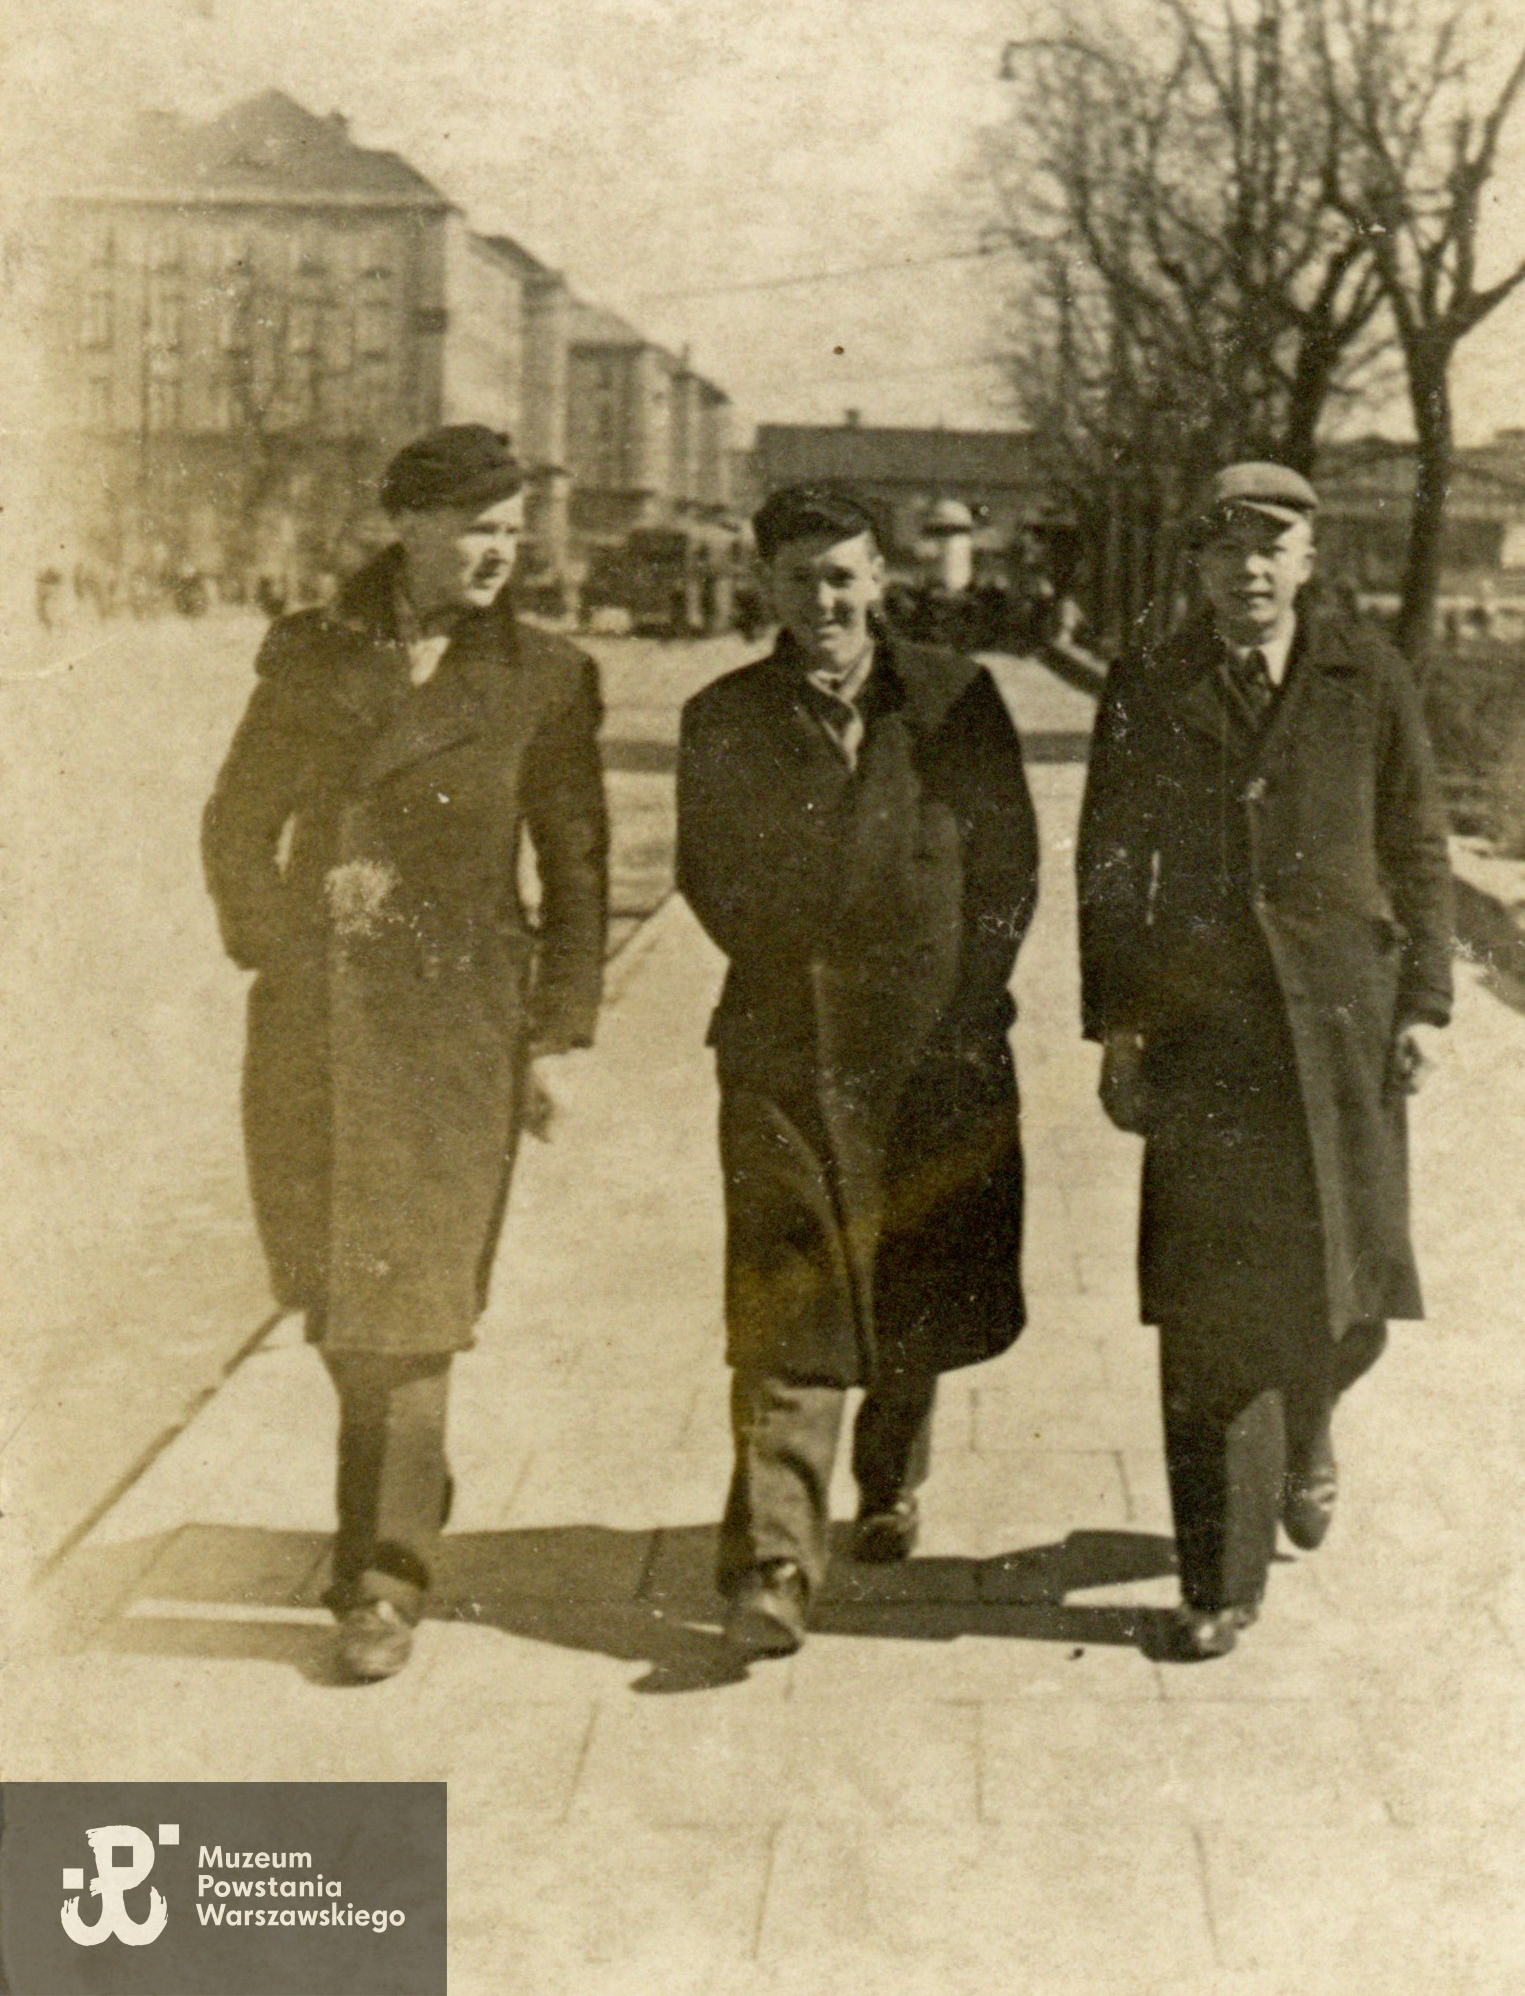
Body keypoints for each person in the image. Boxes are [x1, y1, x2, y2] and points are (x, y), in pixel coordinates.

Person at [202, 424, 608, 1682]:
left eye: (510, 529)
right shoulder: (315, 655)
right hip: (317, 1027)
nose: (496, 553)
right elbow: (235, 821)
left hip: (456, 1031)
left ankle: (379, 1577)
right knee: (338, 1301)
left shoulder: (545, 675)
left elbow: (579, 863)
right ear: (409, 528)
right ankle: (406, 1482)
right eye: (473, 528)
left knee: (414, 1303)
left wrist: (555, 1033)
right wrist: (283, 945)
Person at [1076, 462, 1453, 1659]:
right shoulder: (1149, 682)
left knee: (1352, 1302)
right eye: (1224, 549)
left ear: (1307, 559)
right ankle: (1218, 1579)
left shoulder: (1366, 675)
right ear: (1197, 566)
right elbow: (1106, 861)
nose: (1248, 569)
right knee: (1209, 1310)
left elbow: (1420, 841)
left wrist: (1427, 1002)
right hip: (1205, 1041)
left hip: (1344, 1027)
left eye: (1271, 546)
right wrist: (1118, 1023)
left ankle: (1310, 1425)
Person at [675, 484, 1040, 1659]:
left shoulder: (956, 701)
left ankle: (888, 1473)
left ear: (882, 580)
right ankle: (777, 1557)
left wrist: (969, 999)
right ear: (765, 586)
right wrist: (801, 961)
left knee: (913, 1274)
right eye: (798, 578)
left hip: (932, 1039)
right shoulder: (723, 715)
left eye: (843, 577)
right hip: (786, 1042)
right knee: (791, 1284)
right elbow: (710, 875)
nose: (822, 601)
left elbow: (1010, 865)